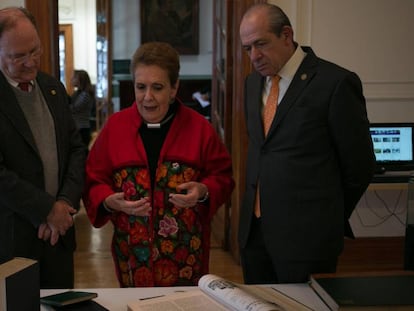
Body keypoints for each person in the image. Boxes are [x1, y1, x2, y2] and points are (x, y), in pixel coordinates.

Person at [238, 3, 375, 284]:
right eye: (247, 48)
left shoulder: (335, 83)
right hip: (255, 236)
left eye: (261, 44)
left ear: (286, 35)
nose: (254, 56)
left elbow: (359, 166)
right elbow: (261, 151)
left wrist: (324, 216)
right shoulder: (252, 84)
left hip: (308, 240)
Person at [83, 42, 234, 287]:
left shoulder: (200, 129)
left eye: (158, 87)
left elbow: (224, 177)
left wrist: (203, 191)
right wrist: (108, 200)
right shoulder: (115, 128)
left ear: (174, 88)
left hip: (186, 258)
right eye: (140, 87)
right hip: (132, 259)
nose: (147, 97)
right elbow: (93, 180)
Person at [0, 7, 86, 288]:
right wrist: (46, 210)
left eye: (34, 51)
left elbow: (76, 150)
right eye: (18, 56)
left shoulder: (52, 87)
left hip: (59, 235)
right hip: (14, 241)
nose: (30, 62)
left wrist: (64, 204)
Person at [70, 69, 95, 148]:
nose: (72, 79)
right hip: (78, 127)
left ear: (80, 80)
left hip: (82, 128)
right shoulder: (78, 93)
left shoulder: (85, 95)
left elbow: (74, 108)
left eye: (74, 78)